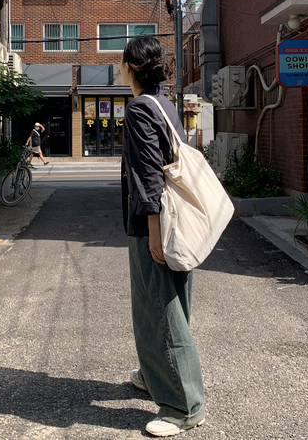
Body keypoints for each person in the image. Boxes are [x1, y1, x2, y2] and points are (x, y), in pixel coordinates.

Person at [120, 36, 205, 437]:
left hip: (156, 224)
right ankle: (154, 373)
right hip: (179, 221)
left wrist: (153, 231)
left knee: (158, 308)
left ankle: (182, 406)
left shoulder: (139, 108)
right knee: (173, 303)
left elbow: (149, 174)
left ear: (129, 68)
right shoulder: (165, 104)